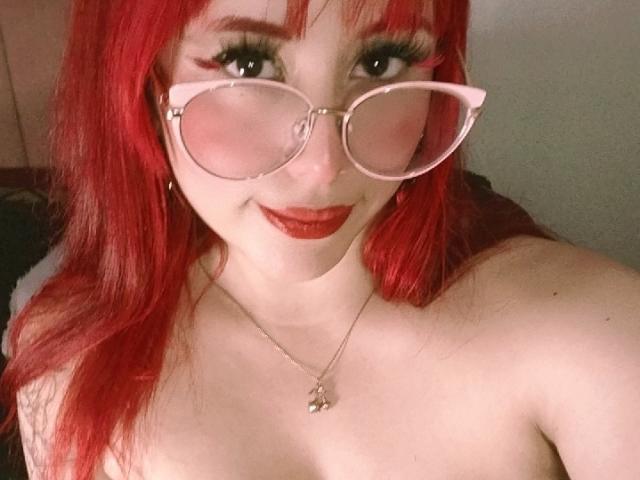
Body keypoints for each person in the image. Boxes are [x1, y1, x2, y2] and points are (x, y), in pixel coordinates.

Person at [1, 0, 639, 478]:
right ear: (142, 79)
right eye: (248, 62)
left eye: (380, 61)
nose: (323, 166)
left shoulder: (592, 329)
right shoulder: (69, 360)